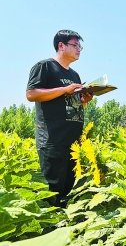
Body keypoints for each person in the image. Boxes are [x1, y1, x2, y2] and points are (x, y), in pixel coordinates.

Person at [26, 29, 93, 207]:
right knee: (52, 191)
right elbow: (31, 94)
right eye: (75, 45)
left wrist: (84, 100)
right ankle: (49, 231)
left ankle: (65, 230)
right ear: (61, 46)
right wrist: (65, 89)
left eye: (80, 46)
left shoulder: (74, 75)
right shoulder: (45, 67)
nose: (79, 49)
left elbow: (71, 103)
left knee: (68, 190)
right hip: (52, 139)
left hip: (72, 142)